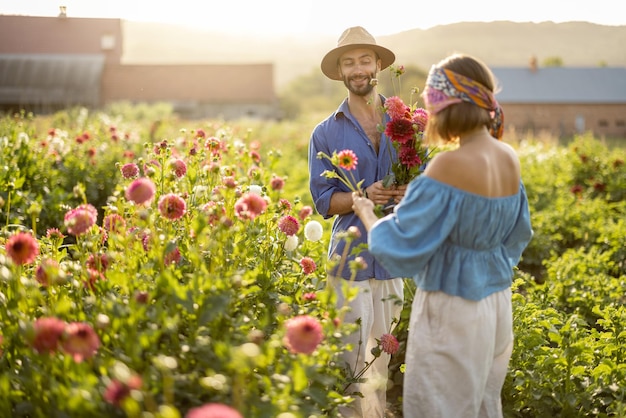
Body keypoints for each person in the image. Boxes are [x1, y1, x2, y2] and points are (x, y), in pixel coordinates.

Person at [351, 53, 533, 418]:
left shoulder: (449, 165)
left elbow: (399, 245)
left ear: (447, 107)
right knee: (482, 402)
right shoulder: (507, 156)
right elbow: (518, 234)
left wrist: (368, 214)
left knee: (439, 405)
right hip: (496, 301)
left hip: (453, 306)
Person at [308, 26, 406, 417]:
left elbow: (427, 186)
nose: (358, 68)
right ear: (340, 72)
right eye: (349, 62)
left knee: (380, 364)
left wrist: (406, 195)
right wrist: (366, 194)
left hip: (394, 257)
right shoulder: (326, 131)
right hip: (349, 259)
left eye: (365, 59)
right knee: (350, 364)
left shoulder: (407, 125)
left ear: (378, 64)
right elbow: (323, 201)